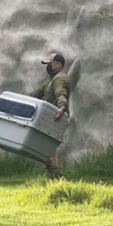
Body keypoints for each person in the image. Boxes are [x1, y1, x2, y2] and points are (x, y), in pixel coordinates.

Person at [30, 51, 70, 180]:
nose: (48, 66)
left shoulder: (60, 78)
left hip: (55, 116)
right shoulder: (50, 80)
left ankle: (57, 177)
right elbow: (37, 93)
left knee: (47, 147)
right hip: (49, 117)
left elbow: (61, 92)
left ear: (59, 64)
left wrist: (62, 106)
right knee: (47, 148)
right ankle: (52, 178)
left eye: (50, 64)